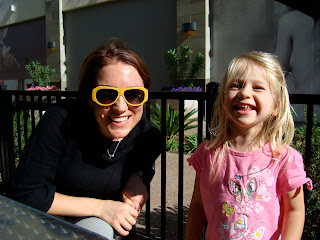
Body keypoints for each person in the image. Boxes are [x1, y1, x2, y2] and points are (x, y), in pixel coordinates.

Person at [4, 39, 161, 239]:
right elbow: (26, 193)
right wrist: (101, 208)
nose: (121, 107)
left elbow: (146, 158)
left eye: (134, 95)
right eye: (106, 94)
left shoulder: (147, 137)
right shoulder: (61, 121)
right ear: (88, 97)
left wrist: (137, 177)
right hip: (46, 224)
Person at [185, 52, 313, 240]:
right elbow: (197, 205)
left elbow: (295, 211)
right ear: (223, 100)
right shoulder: (208, 154)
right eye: (236, 85)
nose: (244, 93)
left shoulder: (284, 158)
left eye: (258, 88)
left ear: (276, 106)